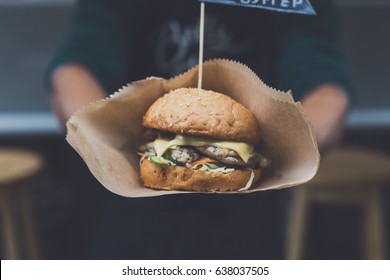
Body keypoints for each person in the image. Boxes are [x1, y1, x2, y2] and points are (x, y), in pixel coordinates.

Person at [47, 0, 352, 259]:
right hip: (130, 201)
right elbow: (82, 56)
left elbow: (320, 76)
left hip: (247, 214)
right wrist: (103, 142)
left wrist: (290, 149)